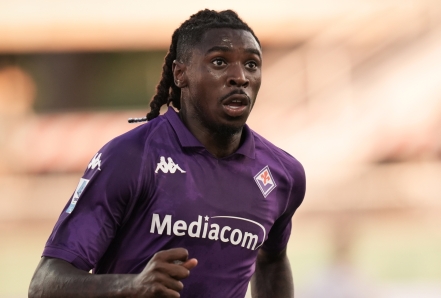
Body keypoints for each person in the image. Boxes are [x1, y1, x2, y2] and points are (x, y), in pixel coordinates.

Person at [28, 9, 306, 298]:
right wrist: (132, 286)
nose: (239, 77)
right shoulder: (131, 158)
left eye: (251, 64)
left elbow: (272, 259)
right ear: (180, 73)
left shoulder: (283, 174)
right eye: (219, 62)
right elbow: (44, 285)